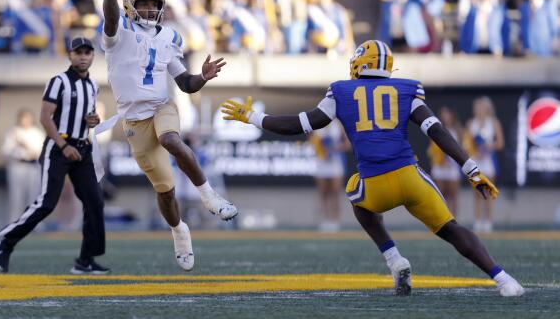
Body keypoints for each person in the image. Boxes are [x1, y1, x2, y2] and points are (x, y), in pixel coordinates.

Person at [221, 39, 524, 297]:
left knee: (355, 192)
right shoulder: (407, 90)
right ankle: (504, 280)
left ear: (359, 64)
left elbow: (298, 124)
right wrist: (471, 169)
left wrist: (253, 117)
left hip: (375, 185)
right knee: (452, 229)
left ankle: (394, 259)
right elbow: (437, 131)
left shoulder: (340, 92)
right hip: (411, 178)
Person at [100, 0, 237, 272]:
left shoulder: (170, 37)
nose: (149, 10)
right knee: (165, 191)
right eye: (143, 4)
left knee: (171, 140)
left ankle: (209, 196)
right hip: (134, 119)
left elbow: (185, 82)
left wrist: (202, 76)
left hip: (162, 106)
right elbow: (110, 20)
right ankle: (179, 230)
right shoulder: (119, 30)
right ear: (129, 6)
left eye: (153, 4)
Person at [0, 37, 108, 275]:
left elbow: (88, 115)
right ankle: (6, 241)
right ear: (70, 55)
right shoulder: (59, 82)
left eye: (87, 52)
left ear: (93, 56)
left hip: (82, 149)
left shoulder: (92, 85)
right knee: (47, 203)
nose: (83, 56)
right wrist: (63, 145)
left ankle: (86, 260)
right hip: (58, 149)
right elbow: (45, 118)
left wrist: (92, 120)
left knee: (95, 202)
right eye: (79, 52)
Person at [465, 96, 504, 233]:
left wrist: (489, 146)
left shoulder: (493, 122)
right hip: (476, 161)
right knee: (476, 192)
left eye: (480, 107)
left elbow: (500, 143)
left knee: (487, 191)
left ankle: (487, 221)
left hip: (488, 162)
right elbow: (466, 143)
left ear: (486, 108)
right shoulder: (471, 123)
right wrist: (474, 148)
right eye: (476, 107)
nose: (478, 110)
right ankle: (477, 221)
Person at [1, 109, 45, 222]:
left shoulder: (37, 133)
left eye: (27, 118)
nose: (25, 121)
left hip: (33, 167)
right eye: (23, 118)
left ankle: (33, 223)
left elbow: (40, 153)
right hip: (17, 167)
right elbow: (5, 152)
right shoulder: (13, 132)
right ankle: (13, 223)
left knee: (34, 196)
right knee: (16, 197)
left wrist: (26, 146)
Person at [309, 120, 349, 232]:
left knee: (335, 192)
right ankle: (325, 220)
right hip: (321, 163)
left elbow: (347, 144)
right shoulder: (315, 124)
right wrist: (320, 148)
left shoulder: (338, 124)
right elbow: (312, 142)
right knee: (323, 193)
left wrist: (336, 148)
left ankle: (336, 220)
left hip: (335, 163)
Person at [427, 106, 462, 216]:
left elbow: (462, 148)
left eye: (447, 114)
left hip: (452, 167)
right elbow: (432, 149)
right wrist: (439, 159)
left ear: (452, 115)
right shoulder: (437, 128)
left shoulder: (458, 130)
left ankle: (454, 220)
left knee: (453, 195)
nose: (445, 116)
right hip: (440, 167)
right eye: (443, 114)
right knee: (440, 194)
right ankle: (442, 218)